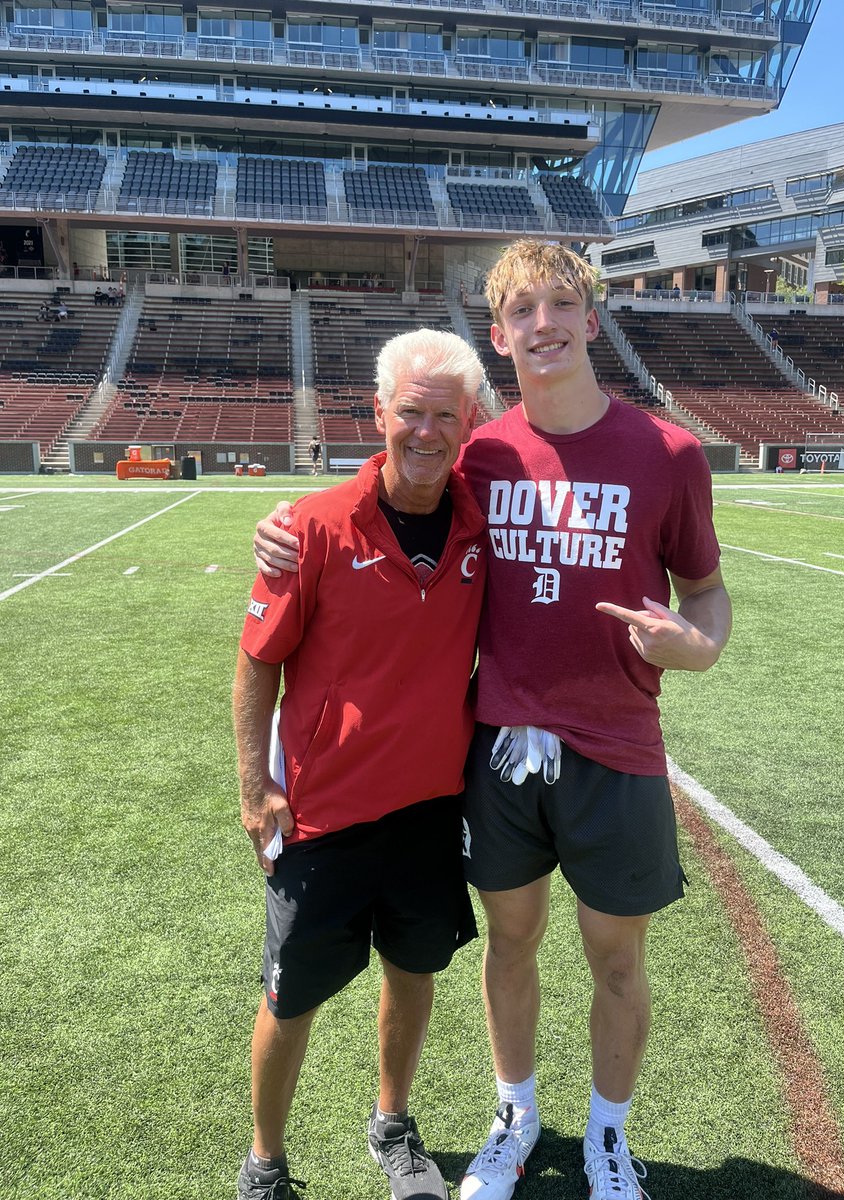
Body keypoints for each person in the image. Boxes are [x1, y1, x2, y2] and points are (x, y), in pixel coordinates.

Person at [254, 241, 732, 1200]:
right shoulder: (480, 449)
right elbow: (395, 473)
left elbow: (707, 590)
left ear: (591, 319)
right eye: (523, 309)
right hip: (500, 747)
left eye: (562, 304)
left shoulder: (667, 452)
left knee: (616, 957)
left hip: (617, 745)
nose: (544, 324)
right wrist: (284, 527)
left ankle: (608, 1138)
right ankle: (516, 1116)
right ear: (500, 330)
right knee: (510, 943)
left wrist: (698, 644)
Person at [233, 328, 488, 1200]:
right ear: (378, 413)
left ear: (470, 421)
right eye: (408, 412)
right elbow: (258, 659)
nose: (425, 431)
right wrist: (253, 785)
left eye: (442, 416)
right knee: (290, 999)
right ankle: (265, 1163)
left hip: (429, 811)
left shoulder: (482, 519)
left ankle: (392, 1124)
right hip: (321, 814)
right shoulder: (310, 526)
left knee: (413, 973)